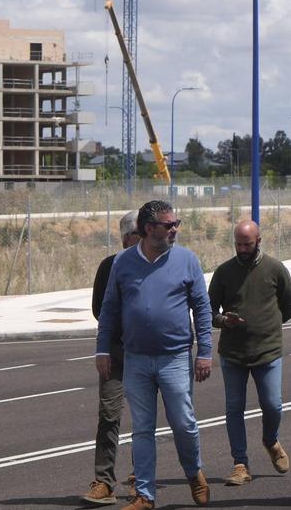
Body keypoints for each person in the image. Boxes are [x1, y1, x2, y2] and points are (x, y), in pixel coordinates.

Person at [96, 200, 213, 510]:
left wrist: (205, 352)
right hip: (136, 360)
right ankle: (145, 495)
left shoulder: (187, 260)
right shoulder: (123, 263)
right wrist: (103, 348)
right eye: (168, 225)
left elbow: (202, 307)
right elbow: (109, 308)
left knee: (184, 423)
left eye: (176, 223)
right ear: (149, 229)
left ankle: (193, 471)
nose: (174, 229)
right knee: (143, 429)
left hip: (175, 358)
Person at [209, 220, 291, 487]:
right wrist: (225, 321)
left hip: (268, 352)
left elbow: (290, 305)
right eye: (238, 243)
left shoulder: (274, 268)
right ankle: (240, 464)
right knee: (234, 409)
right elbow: (209, 312)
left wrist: (268, 325)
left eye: (247, 244)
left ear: (259, 240)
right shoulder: (224, 272)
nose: (242, 249)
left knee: (272, 405)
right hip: (233, 354)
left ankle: (271, 440)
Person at [81, 211, 140, 506]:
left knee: (144, 419)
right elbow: (98, 309)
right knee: (108, 416)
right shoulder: (109, 266)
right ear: (127, 237)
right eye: (138, 234)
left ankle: (140, 478)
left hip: (146, 354)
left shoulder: (156, 265)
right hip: (116, 355)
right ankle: (104, 482)